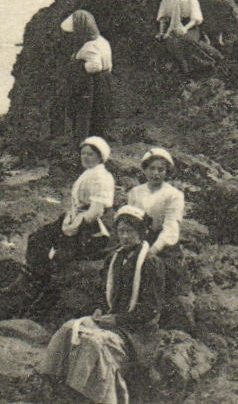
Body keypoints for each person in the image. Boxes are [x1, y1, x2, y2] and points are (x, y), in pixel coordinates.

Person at [38, 205, 166, 404]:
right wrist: (99, 309)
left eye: (130, 231)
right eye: (121, 231)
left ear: (141, 233)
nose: (125, 236)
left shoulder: (150, 262)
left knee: (92, 343)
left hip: (136, 332)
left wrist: (117, 320)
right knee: (69, 329)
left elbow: (151, 309)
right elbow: (104, 293)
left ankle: (84, 395)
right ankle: (51, 381)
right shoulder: (114, 259)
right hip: (112, 321)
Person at [18, 137, 116, 299]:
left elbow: (96, 211)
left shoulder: (101, 177)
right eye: (83, 153)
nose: (85, 157)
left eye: (90, 154)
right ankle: (33, 278)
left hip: (92, 225)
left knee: (62, 253)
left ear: (100, 157)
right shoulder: (89, 173)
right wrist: (69, 219)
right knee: (37, 238)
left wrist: (72, 226)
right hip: (77, 217)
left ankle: (43, 285)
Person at [124, 147, 188, 328]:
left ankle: (153, 316)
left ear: (167, 172)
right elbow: (130, 220)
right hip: (138, 239)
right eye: (151, 168)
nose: (156, 173)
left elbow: (171, 228)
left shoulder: (174, 195)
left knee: (156, 270)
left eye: (161, 169)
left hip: (163, 244)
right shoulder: (135, 193)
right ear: (144, 170)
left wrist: (153, 250)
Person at [60, 10, 114, 145]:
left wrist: (79, 67)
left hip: (93, 85)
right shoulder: (102, 41)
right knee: (101, 114)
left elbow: (95, 66)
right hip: (106, 80)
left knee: (86, 115)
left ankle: (84, 143)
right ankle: (98, 141)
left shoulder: (89, 47)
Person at [156, 0, 214, 70]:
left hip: (189, 26)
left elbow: (195, 18)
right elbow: (163, 17)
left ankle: (203, 63)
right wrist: (161, 32)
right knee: (170, 41)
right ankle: (181, 66)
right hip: (172, 26)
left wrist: (185, 29)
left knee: (184, 40)